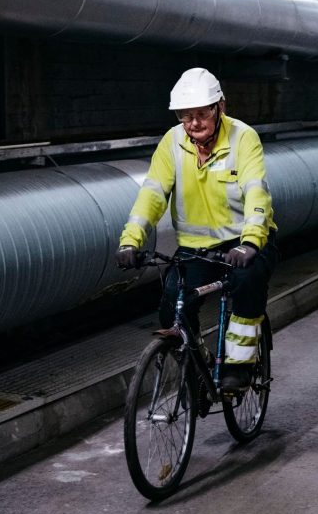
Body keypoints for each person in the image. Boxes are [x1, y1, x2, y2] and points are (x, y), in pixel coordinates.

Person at [115, 68, 278, 390]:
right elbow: (152, 193)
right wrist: (130, 241)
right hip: (196, 246)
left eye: (202, 114)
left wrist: (252, 242)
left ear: (221, 107)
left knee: (246, 284)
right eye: (185, 116)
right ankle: (198, 364)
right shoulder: (172, 142)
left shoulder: (243, 138)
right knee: (172, 305)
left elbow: (256, 192)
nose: (193, 123)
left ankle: (239, 366)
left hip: (243, 243)